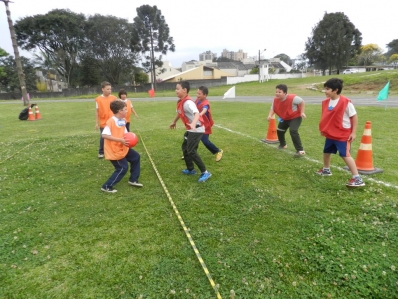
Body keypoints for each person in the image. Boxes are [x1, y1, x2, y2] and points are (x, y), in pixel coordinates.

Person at [317, 78, 365, 187]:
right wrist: (323, 129)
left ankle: (357, 178)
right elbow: (326, 117)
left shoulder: (345, 102)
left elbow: (354, 117)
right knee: (326, 152)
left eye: (327, 89)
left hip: (342, 135)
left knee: (345, 155)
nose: (325, 91)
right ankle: (326, 170)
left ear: (335, 90)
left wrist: (353, 132)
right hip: (330, 134)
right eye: (325, 88)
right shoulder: (326, 102)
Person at [169, 81, 212, 183]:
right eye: (176, 89)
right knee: (185, 148)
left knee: (191, 150)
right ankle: (191, 169)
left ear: (184, 90)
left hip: (196, 129)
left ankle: (205, 172)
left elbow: (197, 113)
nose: (176, 91)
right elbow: (180, 113)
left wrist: (193, 123)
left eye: (177, 89)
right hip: (191, 129)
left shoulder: (188, 103)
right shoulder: (181, 102)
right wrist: (174, 122)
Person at [101, 100, 142, 193]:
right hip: (114, 150)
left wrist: (131, 138)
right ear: (120, 111)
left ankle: (133, 179)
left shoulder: (123, 120)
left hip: (123, 147)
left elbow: (125, 133)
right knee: (122, 168)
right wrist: (120, 140)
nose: (127, 111)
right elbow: (104, 135)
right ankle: (107, 186)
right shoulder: (111, 121)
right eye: (125, 109)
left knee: (135, 157)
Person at [267, 84, 306, 156]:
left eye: (279, 92)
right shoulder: (275, 100)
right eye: (276, 92)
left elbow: (302, 101)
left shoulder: (292, 98)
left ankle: (300, 150)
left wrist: (302, 112)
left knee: (293, 131)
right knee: (280, 130)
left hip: (295, 117)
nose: (277, 94)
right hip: (285, 118)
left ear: (285, 93)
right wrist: (269, 115)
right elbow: (273, 108)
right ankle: (283, 145)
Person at [194, 86, 223, 162]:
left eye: (199, 94)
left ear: (205, 95)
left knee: (205, 142)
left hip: (205, 126)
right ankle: (190, 153)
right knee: (191, 138)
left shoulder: (206, 103)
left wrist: (200, 114)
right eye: (197, 93)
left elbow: (204, 109)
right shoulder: (197, 100)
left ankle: (218, 151)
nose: (197, 95)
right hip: (197, 124)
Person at [95, 81, 117, 159]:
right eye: (107, 89)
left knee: (114, 136)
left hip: (113, 121)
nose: (109, 91)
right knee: (103, 137)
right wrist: (96, 123)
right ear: (102, 89)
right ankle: (101, 152)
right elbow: (97, 112)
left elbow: (117, 109)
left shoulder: (114, 98)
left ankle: (113, 150)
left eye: (110, 89)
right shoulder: (98, 99)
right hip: (104, 123)